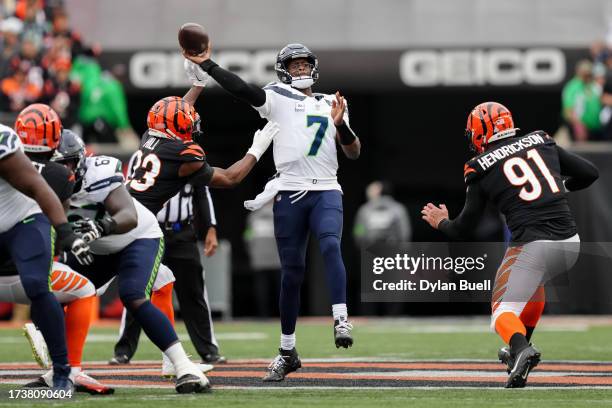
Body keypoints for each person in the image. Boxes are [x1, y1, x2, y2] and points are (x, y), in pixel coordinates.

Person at [184, 42, 361, 382]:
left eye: (304, 64)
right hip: (290, 190)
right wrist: (209, 65)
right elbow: (241, 89)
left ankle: (340, 318)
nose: (300, 70)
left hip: (325, 187)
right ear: (282, 70)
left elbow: (353, 152)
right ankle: (287, 350)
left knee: (329, 245)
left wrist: (341, 125)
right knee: (292, 272)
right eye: (293, 65)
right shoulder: (276, 97)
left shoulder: (332, 102)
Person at [421, 102, 599, 388]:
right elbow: (590, 173)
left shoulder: (479, 166)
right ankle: (519, 348)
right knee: (533, 287)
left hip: (533, 246)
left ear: (479, 133)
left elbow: (463, 229)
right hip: (570, 243)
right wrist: (558, 186)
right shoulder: (541, 140)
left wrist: (441, 221)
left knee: (502, 312)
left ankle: (520, 349)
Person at [49, 130, 212, 394]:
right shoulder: (38, 184)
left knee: (132, 294)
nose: (61, 171)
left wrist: (100, 228)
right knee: (54, 296)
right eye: (54, 165)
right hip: (96, 249)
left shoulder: (99, 173)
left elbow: (128, 216)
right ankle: (67, 369)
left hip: (136, 237)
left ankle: (184, 366)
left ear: (80, 161)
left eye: (66, 163)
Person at [0, 104, 92, 392]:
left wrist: (66, 233)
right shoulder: (59, 171)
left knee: (37, 284)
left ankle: (63, 372)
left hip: (22, 221)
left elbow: (39, 188)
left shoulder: (5, 144)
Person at [110, 178, 226, 367]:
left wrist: (211, 228)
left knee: (193, 292)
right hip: (149, 232)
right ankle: (123, 350)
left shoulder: (191, 157)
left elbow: (203, 193)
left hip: (182, 232)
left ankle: (208, 350)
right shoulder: (146, 155)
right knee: (137, 290)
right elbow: (127, 191)